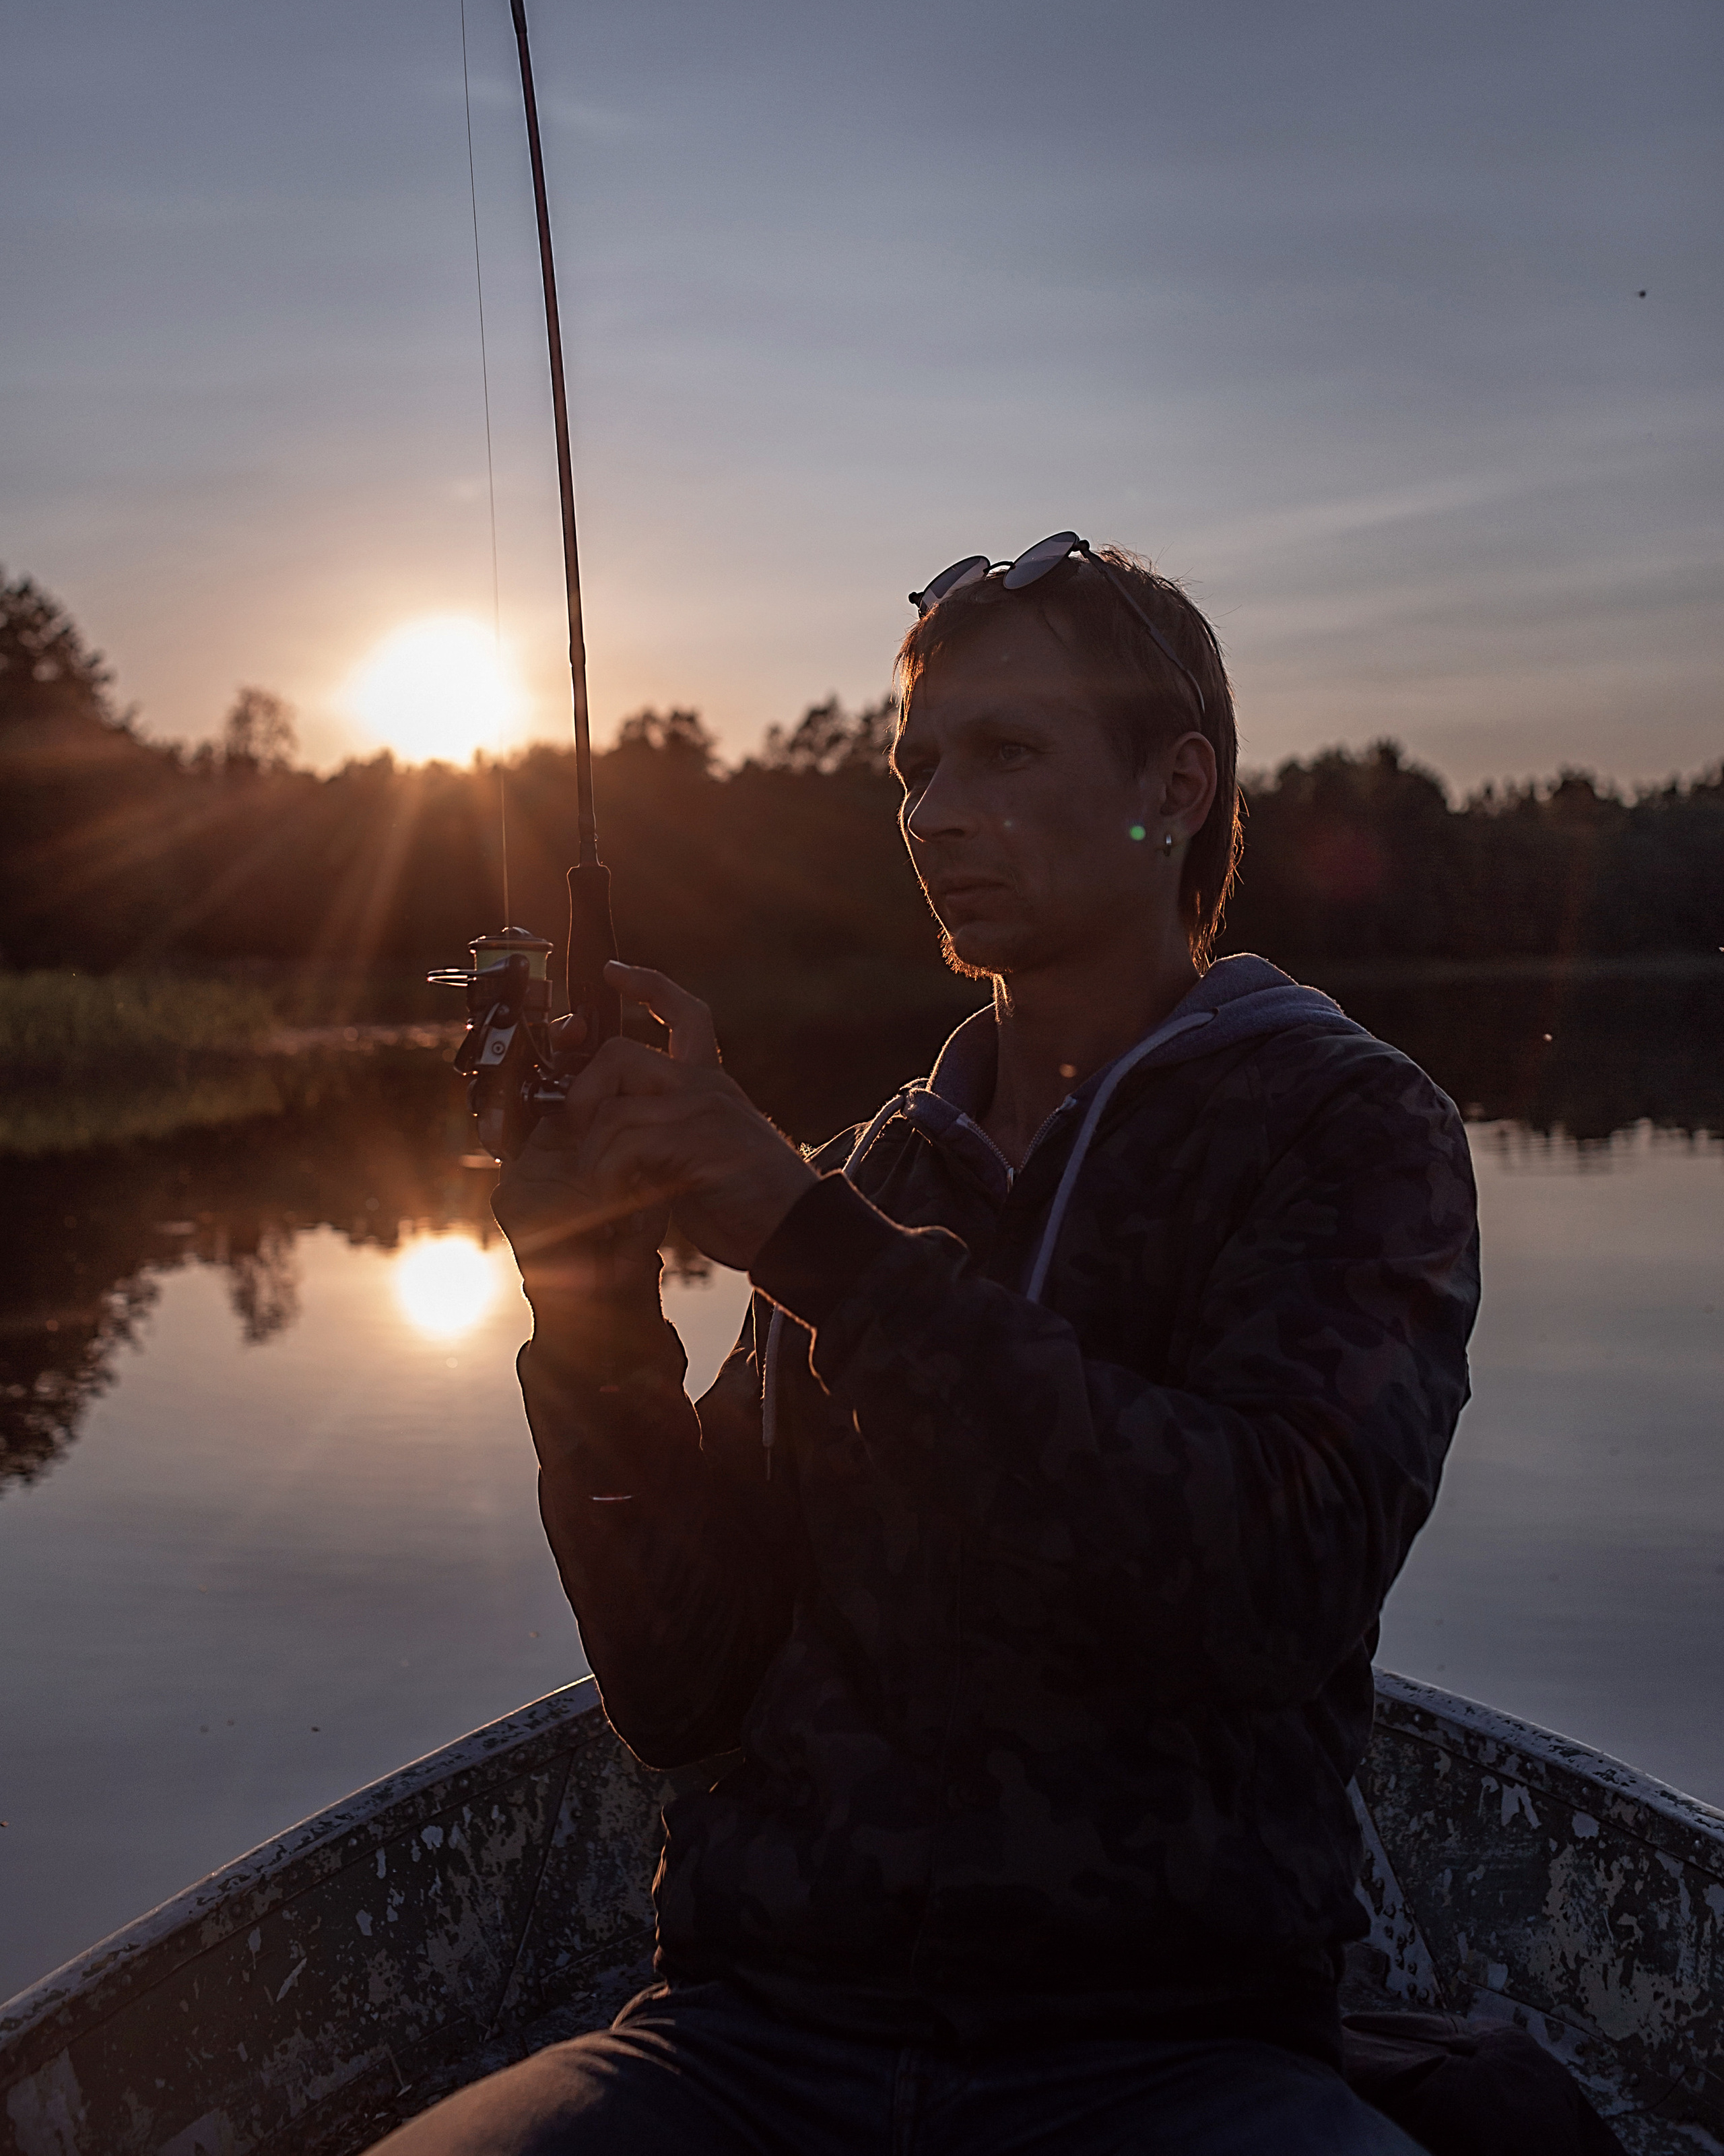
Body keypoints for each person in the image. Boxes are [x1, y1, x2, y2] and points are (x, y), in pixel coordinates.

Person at [373, 535, 1478, 2154]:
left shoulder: (1348, 1130)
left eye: (1005, 753)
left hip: (1173, 2061)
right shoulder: (872, 1174)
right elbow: (685, 1696)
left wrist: (805, 1240)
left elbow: (1263, 1588)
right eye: (917, 767)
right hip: (745, 2039)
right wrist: (588, 1291)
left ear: (1173, 791)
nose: (931, 812)